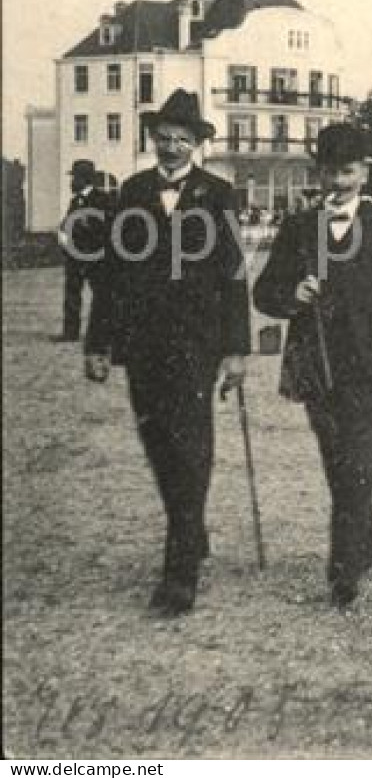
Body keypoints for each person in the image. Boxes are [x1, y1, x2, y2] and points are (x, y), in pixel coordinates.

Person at [83, 90, 251, 616]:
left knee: (190, 445)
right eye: (163, 138)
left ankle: (180, 573)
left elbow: (233, 274)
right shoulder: (132, 191)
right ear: (152, 140)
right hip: (143, 341)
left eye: (181, 139)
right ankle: (191, 527)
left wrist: (237, 350)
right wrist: (98, 342)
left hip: (197, 342)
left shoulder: (218, 194)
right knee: (157, 440)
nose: (171, 147)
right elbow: (111, 273)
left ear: (196, 143)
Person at [253, 123, 372, 608]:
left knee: (359, 466)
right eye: (330, 172)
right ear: (319, 173)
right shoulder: (298, 227)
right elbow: (264, 293)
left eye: (347, 172)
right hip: (317, 365)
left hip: (369, 366)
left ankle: (343, 569)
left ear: (365, 173)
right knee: (339, 466)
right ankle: (364, 538)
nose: (338, 182)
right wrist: (292, 294)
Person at [56, 159, 114, 342]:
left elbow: (108, 226)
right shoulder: (75, 201)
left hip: (96, 256)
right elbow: (68, 223)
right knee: (72, 293)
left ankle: (104, 334)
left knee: (102, 294)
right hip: (75, 256)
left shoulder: (103, 199)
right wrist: (63, 233)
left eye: (74, 178)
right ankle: (70, 333)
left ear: (84, 179)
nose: (71, 182)